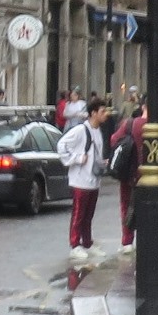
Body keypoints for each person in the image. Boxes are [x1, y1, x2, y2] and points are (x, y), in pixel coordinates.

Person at [57, 97, 110, 260]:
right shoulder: (81, 130)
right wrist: (78, 158)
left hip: (93, 180)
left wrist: (102, 162)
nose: (106, 114)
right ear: (93, 113)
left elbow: (96, 153)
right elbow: (62, 145)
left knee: (89, 215)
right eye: (102, 111)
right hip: (80, 180)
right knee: (79, 214)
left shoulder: (98, 131)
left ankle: (87, 242)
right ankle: (75, 244)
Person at [110, 95, 148, 254]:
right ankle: (147, 239)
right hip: (151, 177)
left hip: (131, 175)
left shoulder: (130, 124)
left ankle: (127, 241)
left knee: (126, 206)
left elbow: (114, 140)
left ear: (142, 106)